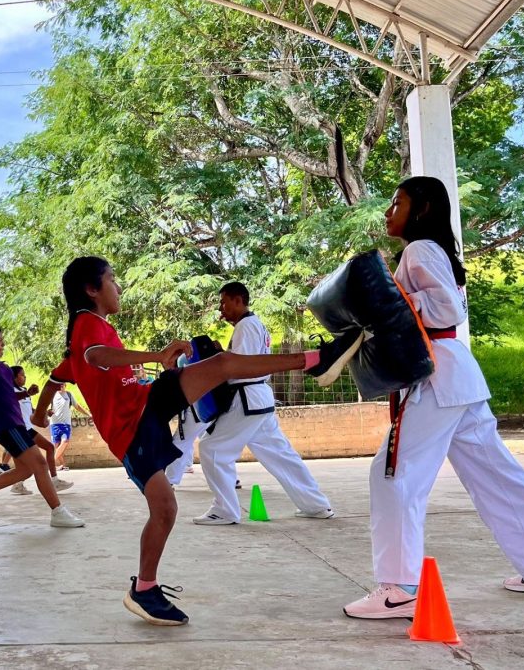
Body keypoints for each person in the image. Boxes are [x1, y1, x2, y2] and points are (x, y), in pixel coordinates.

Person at [32, 256, 361, 626]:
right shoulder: (86, 325)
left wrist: (40, 411)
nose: (118, 287)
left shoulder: (94, 327)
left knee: (222, 364)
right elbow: (97, 357)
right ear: (91, 289)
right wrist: (156, 355)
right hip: (130, 433)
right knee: (166, 510)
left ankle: (317, 359)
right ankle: (144, 589)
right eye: (112, 280)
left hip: (146, 402)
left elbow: (60, 374)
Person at [344, 176, 524, 620]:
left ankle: (399, 588)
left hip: (437, 374)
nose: (389, 211)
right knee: (497, 477)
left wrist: (389, 303)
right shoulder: (433, 252)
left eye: (397, 202)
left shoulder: (419, 250)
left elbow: (444, 310)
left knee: (393, 474)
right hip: (456, 376)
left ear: (423, 208)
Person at [192, 282, 333, 525]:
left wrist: (217, 361)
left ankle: (224, 509)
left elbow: (242, 367)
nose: (221, 309)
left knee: (211, 449)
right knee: (281, 455)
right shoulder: (253, 325)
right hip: (259, 400)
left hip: (247, 400)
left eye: (224, 303)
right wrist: (221, 352)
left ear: (238, 300)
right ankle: (316, 504)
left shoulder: (246, 326)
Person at [0, 326, 84, 528]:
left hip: (16, 422)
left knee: (25, 470)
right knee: (40, 464)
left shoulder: (4, 368)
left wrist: (26, 395)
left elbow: (8, 396)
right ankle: (58, 512)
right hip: (5, 423)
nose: (3, 344)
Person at [0, 366, 74, 495]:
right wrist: (27, 394)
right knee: (34, 462)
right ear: (14, 377)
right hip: (20, 430)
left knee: (45, 451)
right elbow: (11, 401)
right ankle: (52, 481)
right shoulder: (11, 392)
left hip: (28, 428)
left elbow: (30, 409)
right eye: (22, 375)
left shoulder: (24, 391)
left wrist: (43, 412)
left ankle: (20, 484)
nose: (24, 377)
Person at [49, 385, 91, 470]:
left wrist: (89, 414)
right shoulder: (52, 394)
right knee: (57, 446)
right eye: (59, 384)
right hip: (54, 424)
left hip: (65, 424)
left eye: (62, 384)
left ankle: (51, 463)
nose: (61, 386)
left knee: (65, 441)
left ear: (65, 385)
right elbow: (46, 408)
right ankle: (63, 465)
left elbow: (77, 406)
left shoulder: (69, 395)